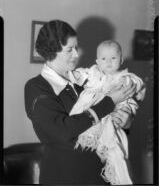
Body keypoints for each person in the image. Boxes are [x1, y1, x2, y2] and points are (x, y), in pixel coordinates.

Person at [24, 20, 136, 185]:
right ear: (51, 50)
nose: (77, 54)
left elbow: (105, 124)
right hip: (65, 177)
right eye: (70, 49)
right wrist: (109, 102)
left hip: (101, 175)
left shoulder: (85, 81)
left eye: (76, 48)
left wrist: (126, 122)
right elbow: (63, 131)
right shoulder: (36, 87)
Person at [69, 40, 146, 185]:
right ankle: (91, 140)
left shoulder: (125, 77)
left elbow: (138, 87)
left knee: (115, 148)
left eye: (113, 58)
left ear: (121, 60)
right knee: (93, 132)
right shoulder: (94, 73)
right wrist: (77, 75)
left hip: (114, 114)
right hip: (91, 109)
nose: (109, 62)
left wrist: (128, 114)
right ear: (97, 61)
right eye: (104, 59)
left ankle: (117, 175)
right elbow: (81, 74)